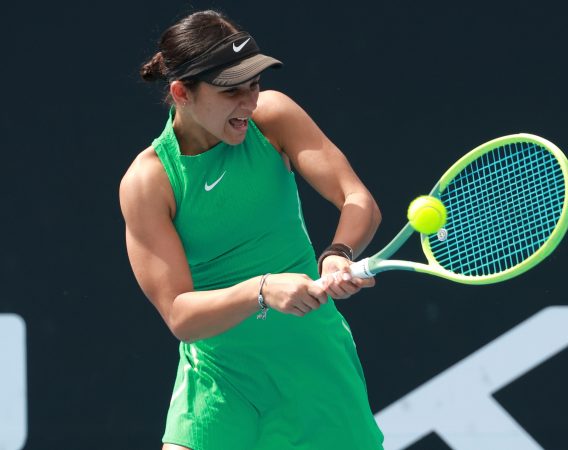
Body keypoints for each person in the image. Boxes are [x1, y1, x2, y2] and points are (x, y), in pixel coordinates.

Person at [119, 9, 384, 450]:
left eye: (254, 85)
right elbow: (180, 315)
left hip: (313, 368)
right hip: (220, 382)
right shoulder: (150, 181)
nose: (250, 102)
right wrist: (261, 290)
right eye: (231, 91)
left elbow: (358, 201)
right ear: (182, 92)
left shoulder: (273, 118)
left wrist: (338, 252)